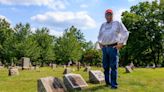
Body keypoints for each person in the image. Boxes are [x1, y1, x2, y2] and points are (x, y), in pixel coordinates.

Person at [98, 9, 129, 89]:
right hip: (105, 48)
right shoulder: (103, 25)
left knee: (113, 66)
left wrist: (121, 43)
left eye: (110, 14)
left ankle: (113, 85)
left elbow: (125, 32)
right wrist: (100, 43)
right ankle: (107, 83)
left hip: (113, 47)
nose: (108, 16)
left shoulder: (117, 23)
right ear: (105, 16)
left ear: (112, 15)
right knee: (105, 67)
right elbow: (100, 35)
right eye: (107, 15)